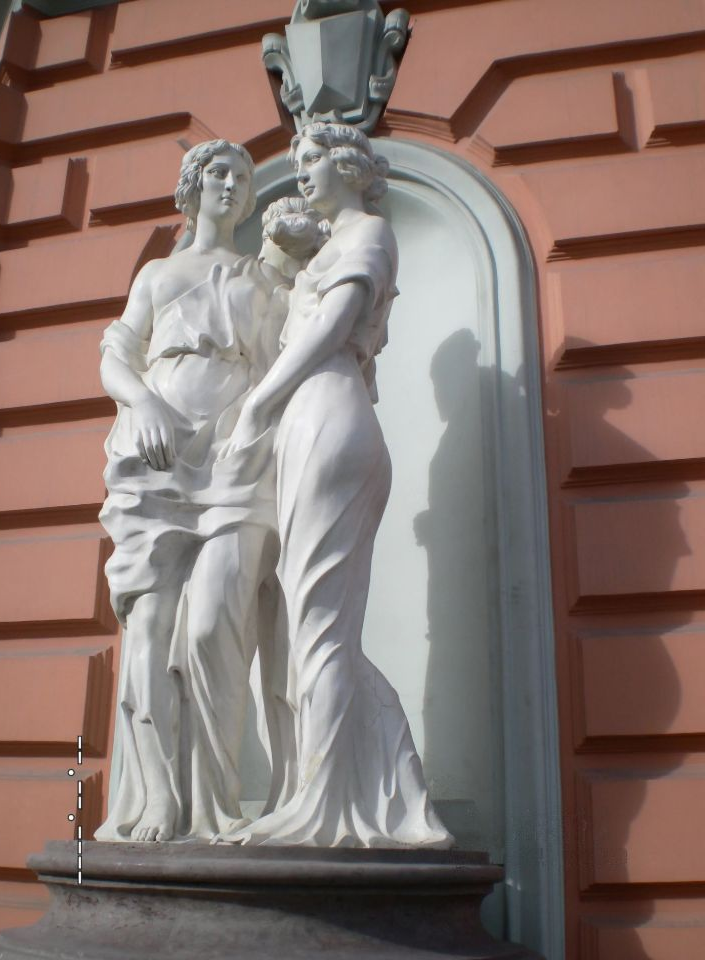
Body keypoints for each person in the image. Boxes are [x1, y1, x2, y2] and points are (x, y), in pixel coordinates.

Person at [223, 122, 453, 847]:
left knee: (318, 625)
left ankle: (321, 804)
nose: (303, 170)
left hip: (328, 415)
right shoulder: (326, 247)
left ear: (350, 164)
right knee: (309, 624)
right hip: (306, 421)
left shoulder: (371, 233)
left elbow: (331, 326)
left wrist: (259, 403)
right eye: (298, 159)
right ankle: (380, 794)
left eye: (315, 157)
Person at [95, 140, 298, 843]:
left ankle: (214, 800)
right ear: (192, 185)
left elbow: (286, 361)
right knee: (149, 629)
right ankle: (158, 796)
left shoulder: (260, 276)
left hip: (236, 455)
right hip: (156, 455)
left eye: (242, 176)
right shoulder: (157, 274)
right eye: (218, 172)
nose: (231, 184)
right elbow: (115, 355)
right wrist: (142, 402)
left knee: (214, 625)